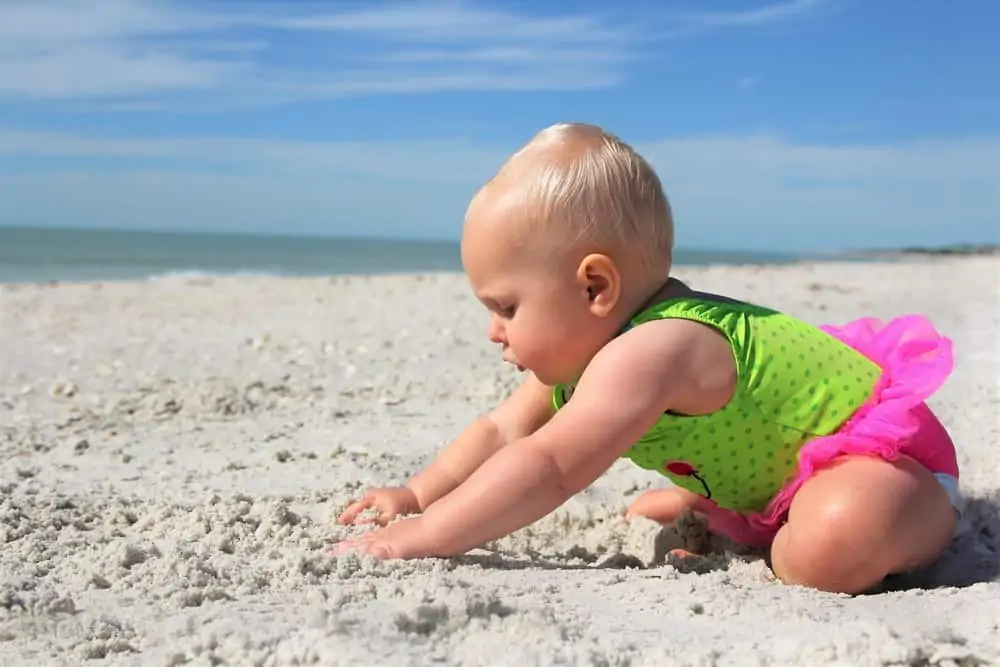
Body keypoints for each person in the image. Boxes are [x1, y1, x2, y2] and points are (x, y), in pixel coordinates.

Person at [331, 122, 962, 594]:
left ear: (595, 287)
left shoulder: (659, 346)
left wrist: (430, 537)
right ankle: (741, 517)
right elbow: (503, 431)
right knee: (811, 525)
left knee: (831, 543)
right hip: (785, 482)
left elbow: (550, 464)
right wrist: (417, 495)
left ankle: (769, 534)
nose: (494, 331)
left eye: (507, 307)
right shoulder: (584, 358)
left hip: (889, 468)